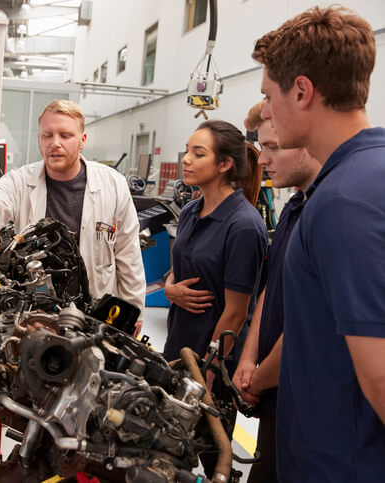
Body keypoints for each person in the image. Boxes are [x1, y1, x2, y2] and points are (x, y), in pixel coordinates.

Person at [253, 6, 385, 480]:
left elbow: (380, 375)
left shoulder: (343, 200)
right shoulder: (365, 177)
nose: (266, 112)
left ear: (302, 91)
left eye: (269, 96)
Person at [0, 99, 146, 330]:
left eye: (65, 135)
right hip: (36, 311)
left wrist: (134, 312)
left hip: (96, 309)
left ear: (82, 140)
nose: (54, 143)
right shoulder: (22, 181)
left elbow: (128, 255)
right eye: (47, 135)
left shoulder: (112, 184)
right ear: (39, 139)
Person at [231, 100, 320, 483]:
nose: (262, 159)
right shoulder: (293, 208)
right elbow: (270, 289)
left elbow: (312, 325)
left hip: (306, 402)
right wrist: (249, 360)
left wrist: (258, 377)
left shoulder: (328, 213)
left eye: (272, 147)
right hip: (272, 394)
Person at [162, 120, 266, 368]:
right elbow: (179, 270)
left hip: (213, 358)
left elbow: (236, 313)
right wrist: (169, 289)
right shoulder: (190, 211)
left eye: (198, 154)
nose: (186, 159)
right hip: (178, 344)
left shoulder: (243, 225)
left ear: (224, 164)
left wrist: (209, 369)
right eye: (187, 151)